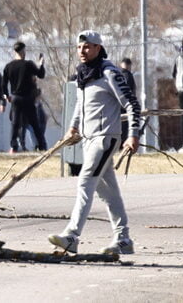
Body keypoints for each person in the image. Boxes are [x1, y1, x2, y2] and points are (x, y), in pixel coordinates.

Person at [48, 30, 141, 256]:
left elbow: (132, 104)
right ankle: (123, 239)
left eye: (88, 47)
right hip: (88, 139)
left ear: (98, 48)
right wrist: (72, 128)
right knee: (108, 192)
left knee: (85, 182)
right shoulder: (83, 74)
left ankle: (72, 236)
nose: (82, 51)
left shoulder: (109, 72)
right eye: (80, 47)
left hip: (105, 137)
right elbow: (80, 108)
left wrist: (133, 134)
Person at [1, 41, 46, 152]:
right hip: (28, 97)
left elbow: (3, 83)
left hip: (15, 97)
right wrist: (41, 64)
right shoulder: (28, 64)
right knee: (34, 122)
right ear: (23, 51)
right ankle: (41, 145)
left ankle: (13, 146)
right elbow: (41, 74)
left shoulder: (8, 66)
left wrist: (6, 95)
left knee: (15, 123)